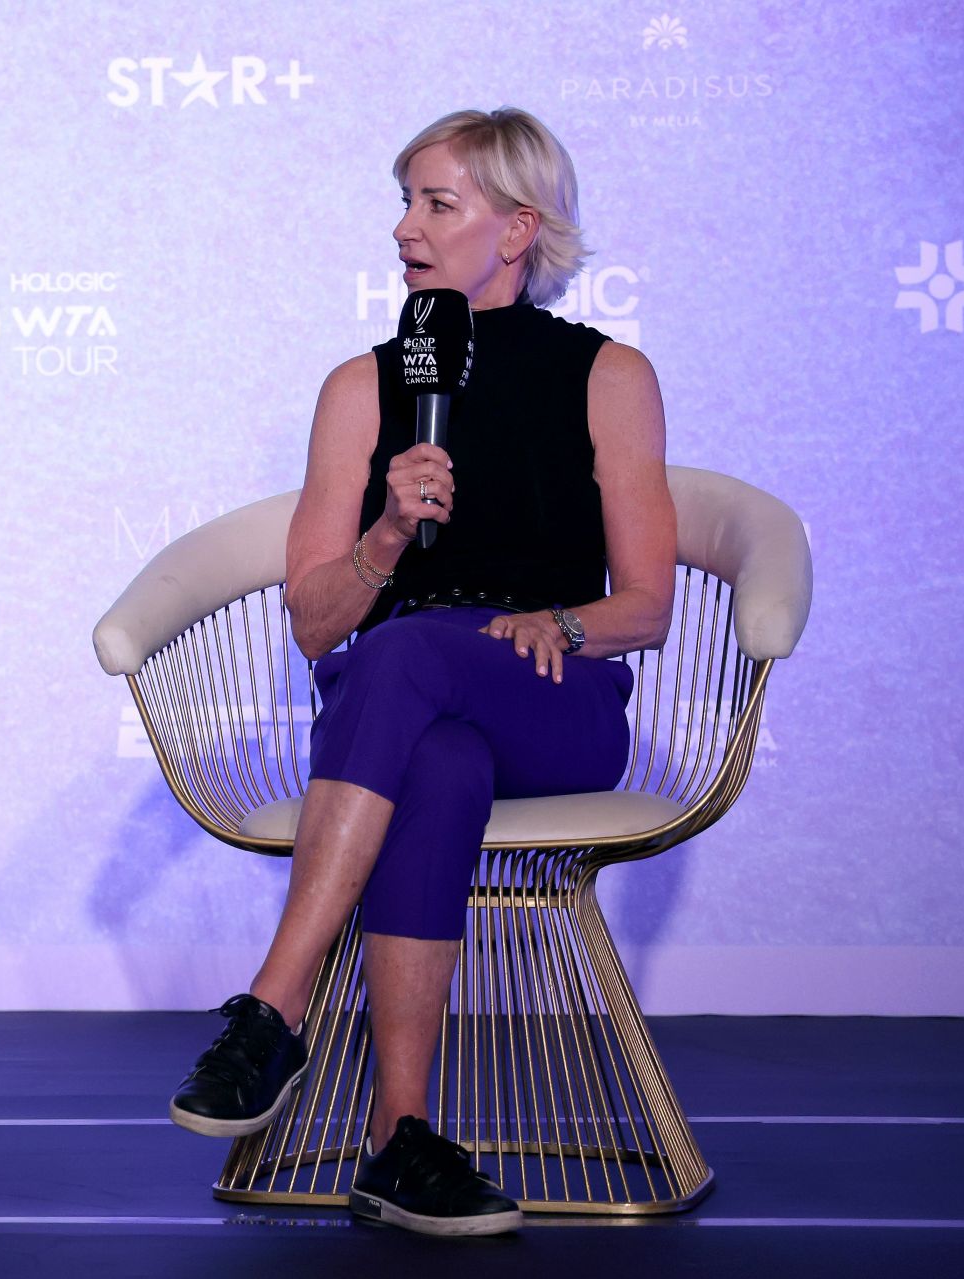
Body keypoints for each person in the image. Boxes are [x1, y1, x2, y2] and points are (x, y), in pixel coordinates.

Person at [167, 107, 675, 1238]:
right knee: (430, 749)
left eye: (436, 203)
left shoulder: (608, 375)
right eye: (404, 201)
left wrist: (563, 622)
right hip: (398, 712)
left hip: (556, 697)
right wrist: (388, 534)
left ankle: (275, 1006)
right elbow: (312, 622)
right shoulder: (362, 386)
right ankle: (403, 1138)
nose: (406, 226)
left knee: (403, 653)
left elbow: (647, 602)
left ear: (517, 229)